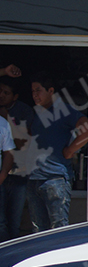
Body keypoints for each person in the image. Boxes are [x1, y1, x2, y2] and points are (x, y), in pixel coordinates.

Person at [27, 74, 88, 232]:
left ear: (50, 91)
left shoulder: (62, 110)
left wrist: (70, 150)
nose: (35, 95)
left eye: (39, 90)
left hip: (54, 178)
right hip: (34, 178)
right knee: (38, 230)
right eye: (32, 91)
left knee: (58, 228)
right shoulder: (38, 113)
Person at [0, 77, 32, 240]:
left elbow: (26, 142)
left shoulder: (24, 111)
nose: (1, 96)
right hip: (3, 174)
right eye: (0, 91)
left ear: (15, 96)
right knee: (1, 221)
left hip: (19, 173)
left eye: (6, 93)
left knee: (14, 220)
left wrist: (7, 119)